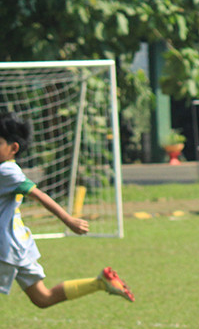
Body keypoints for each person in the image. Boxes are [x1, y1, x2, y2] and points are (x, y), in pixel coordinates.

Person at [0, 111, 133, 306]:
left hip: (5, 246)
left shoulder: (7, 171)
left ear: (13, 148)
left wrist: (68, 220)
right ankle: (100, 282)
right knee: (43, 298)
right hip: (16, 242)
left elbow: (40, 195)